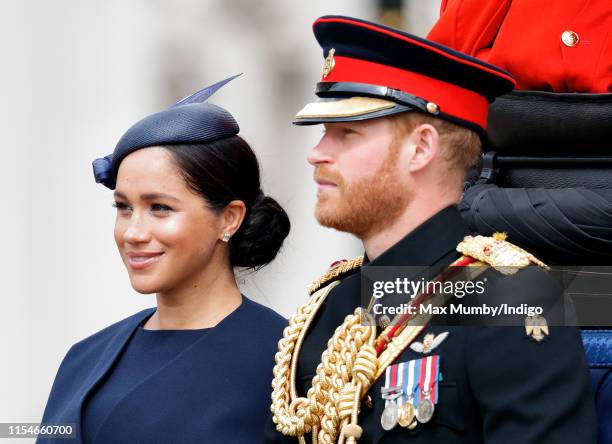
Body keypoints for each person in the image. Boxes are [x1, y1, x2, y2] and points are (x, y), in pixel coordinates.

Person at [264, 16, 597, 443]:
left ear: (421, 148)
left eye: (346, 133)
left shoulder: (510, 303)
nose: (316, 154)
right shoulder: (329, 305)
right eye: (324, 133)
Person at [39, 75, 290, 444]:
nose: (133, 233)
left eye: (159, 208)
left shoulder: (284, 363)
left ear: (229, 218)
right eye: (124, 208)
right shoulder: (84, 358)